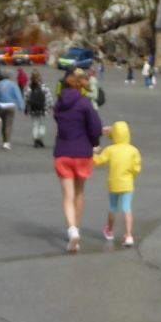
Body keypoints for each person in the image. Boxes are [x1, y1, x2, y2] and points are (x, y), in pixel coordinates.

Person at [54, 69, 104, 252]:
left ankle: (72, 229)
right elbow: (95, 127)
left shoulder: (59, 104)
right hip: (82, 152)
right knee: (79, 192)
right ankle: (78, 230)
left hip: (63, 152)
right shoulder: (84, 104)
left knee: (67, 195)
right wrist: (94, 142)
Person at [94, 120, 143, 247]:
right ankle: (129, 235)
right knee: (127, 208)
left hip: (114, 183)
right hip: (127, 183)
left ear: (114, 134)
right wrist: (132, 177)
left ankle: (109, 231)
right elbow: (137, 168)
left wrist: (92, 153)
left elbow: (99, 161)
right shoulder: (133, 150)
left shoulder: (110, 150)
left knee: (113, 207)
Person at [0, 71, 24, 150]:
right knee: (8, 124)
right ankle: (7, 142)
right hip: (10, 106)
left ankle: (4, 139)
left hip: (1, 106)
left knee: (4, 124)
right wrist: (21, 106)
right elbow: (18, 96)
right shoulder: (13, 85)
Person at [26, 72, 51, 148]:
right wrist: (50, 106)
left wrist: (27, 107)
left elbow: (27, 98)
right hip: (43, 109)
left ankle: (35, 139)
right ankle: (40, 138)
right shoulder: (45, 87)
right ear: (40, 78)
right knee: (42, 125)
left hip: (33, 109)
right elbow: (49, 98)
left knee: (35, 124)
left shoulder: (29, 87)